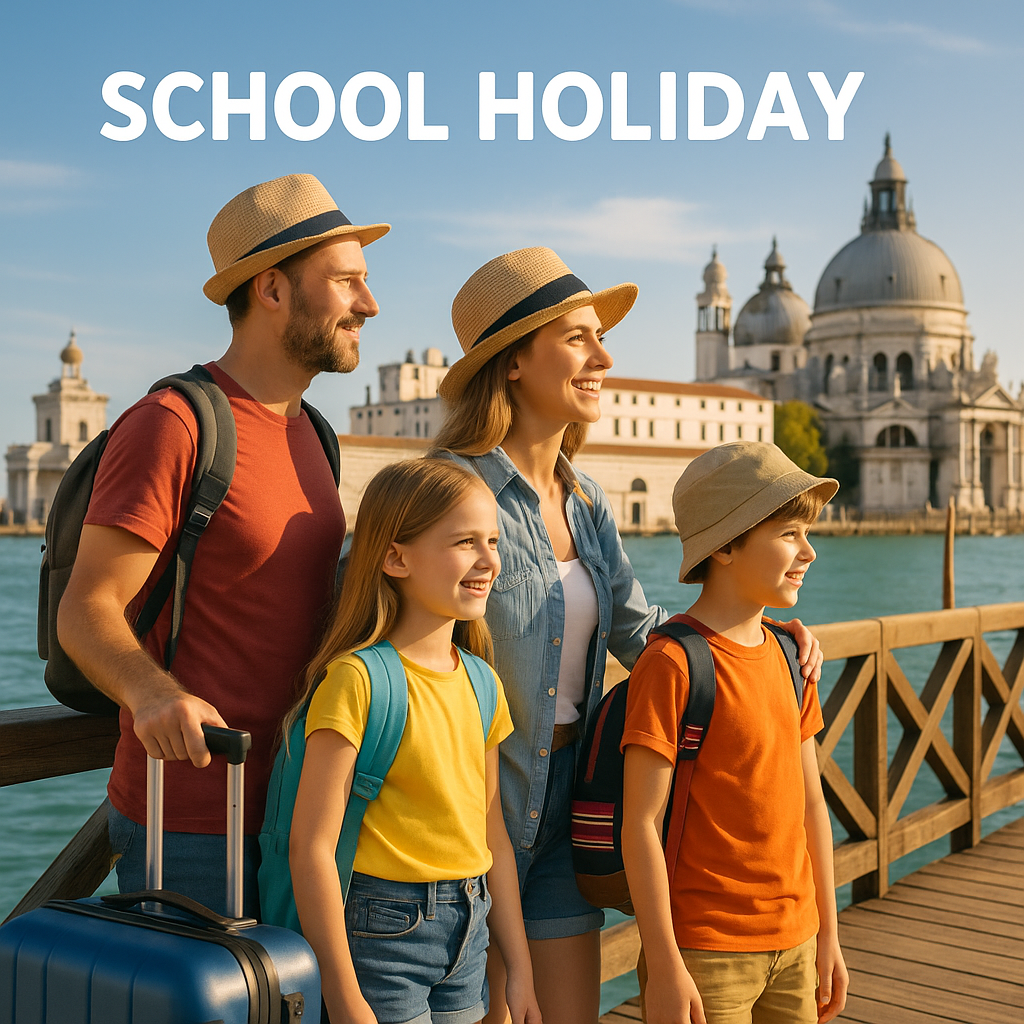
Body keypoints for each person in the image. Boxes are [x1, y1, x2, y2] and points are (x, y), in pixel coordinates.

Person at [430, 248, 825, 1024]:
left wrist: (761, 637)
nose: (604, 358)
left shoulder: (585, 504)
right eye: (579, 338)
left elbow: (645, 635)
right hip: (464, 822)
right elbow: (377, 640)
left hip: (568, 810)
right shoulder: (449, 491)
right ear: (512, 361)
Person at [57, 173, 389, 916]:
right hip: (192, 825)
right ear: (271, 290)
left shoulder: (317, 435)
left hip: (299, 815)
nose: (370, 304)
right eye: (346, 282)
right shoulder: (173, 424)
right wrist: (152, 693)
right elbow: (85, 610)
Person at [286, 458, 542, 1024]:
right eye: (465, 542)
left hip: (470, 932)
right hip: (382, 935)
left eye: (493, 540)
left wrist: (517, 966)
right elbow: (311, 848)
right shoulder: (356, 680)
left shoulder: (483, 682)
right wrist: (344, 996)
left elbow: (491, 830)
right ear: (396, 557)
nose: (489, 560)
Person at [620, 442, 849, 1024]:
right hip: (704, 950)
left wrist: (829, 931)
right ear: (724, 545)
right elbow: (640, 822)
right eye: (788, 533)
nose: (810, 552)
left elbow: (811, 805)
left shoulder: (793, 656)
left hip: (798, 940)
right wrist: (666, 963)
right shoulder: (672, 663)